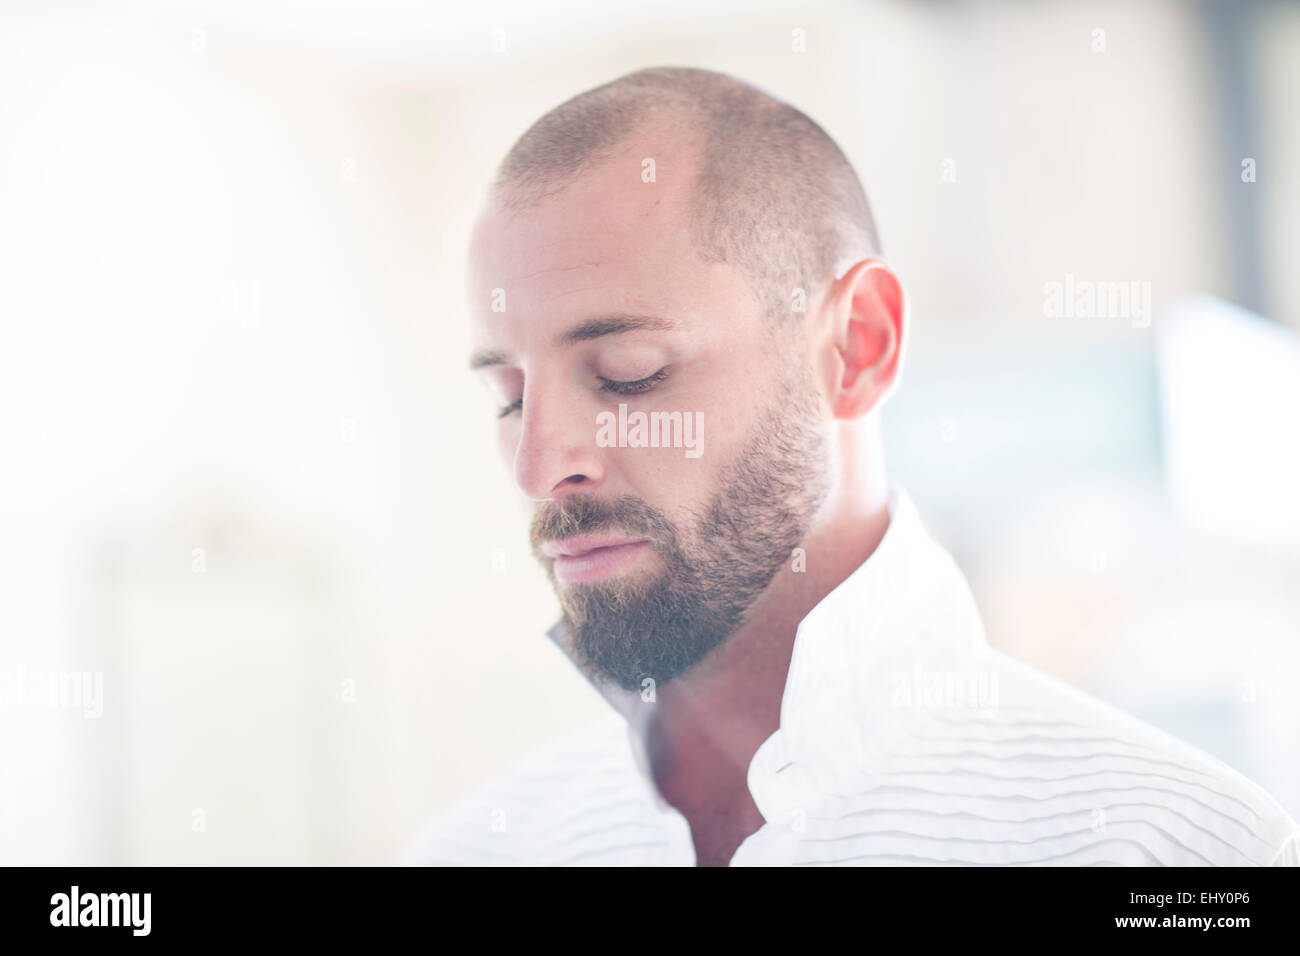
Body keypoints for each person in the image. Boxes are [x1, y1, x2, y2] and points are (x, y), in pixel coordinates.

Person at [406, 66, 1299, 866]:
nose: (537, 467)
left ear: (859, 345)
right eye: (511, 397)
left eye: (628, 374)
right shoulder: (475, 850)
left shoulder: (1187, 860)